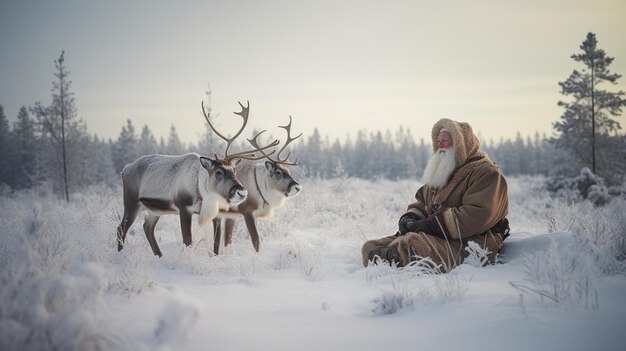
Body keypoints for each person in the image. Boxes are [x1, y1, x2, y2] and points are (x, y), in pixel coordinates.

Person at [361, 118, 510, 272]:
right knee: (372, 248)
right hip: (440, 236)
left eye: (445, 140)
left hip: (473, 242)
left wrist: (432, 225)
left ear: (461, 144)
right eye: (438, 140)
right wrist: (411, 217)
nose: (440, 144)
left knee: (411, 249)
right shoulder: (445, 170)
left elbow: (478, 214)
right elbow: (423, 202)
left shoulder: (486, 173)